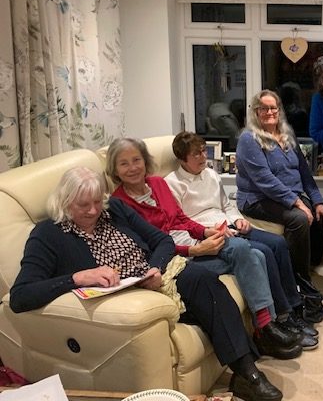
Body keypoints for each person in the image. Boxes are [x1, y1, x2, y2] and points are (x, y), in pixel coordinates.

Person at [9, 166, 283, 401]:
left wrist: (155, 267)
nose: (93, 211)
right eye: (83, 205)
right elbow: (21, 296)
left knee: (205, 281)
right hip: (125, 298)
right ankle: (248, 366)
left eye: (97, 202)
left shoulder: (114, 209)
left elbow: (161, 240)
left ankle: (247, 372)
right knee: (207, 293)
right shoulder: (48, 234)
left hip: (155, 277)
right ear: (65, 201)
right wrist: (77, 278)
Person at [106, 137, 304, 359]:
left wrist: (204, 232)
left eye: (136, 160)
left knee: (257, 254)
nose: (133, 167)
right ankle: (267, 328)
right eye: (124, 163)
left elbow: (181, 218)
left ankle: (265, 329)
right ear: (114, 169)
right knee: (241, 248)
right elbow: (146, 248)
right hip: (175, 260)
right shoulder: (118, 203)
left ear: (145, 161)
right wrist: (195, 250)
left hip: (194, 242)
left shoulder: (158, 184)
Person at [165, 131, 319, 343]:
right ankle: (282, 316)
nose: (203, 157)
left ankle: (293, 308)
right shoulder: (171, 184)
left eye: (203, 151)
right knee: (264, 252)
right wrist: (208, 234)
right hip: (209, 234)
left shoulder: (210, 174)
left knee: (278, 243)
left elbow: (226, 206)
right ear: (182, 159)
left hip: (229, 224)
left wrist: (238, 219)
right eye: (196, 154)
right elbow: (177, 227)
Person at [236, 89, 323, 280]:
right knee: (299, 219)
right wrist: (298, 203)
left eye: (273, 108)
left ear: (279, 110)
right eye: (263, 108)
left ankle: (310, 263)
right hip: (257, 199)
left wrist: (318, 201)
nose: (269, 112)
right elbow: (265, 180)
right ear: (255, 112)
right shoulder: (249, 139)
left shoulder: (288, 135)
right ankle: (298, 279)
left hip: (288, 196)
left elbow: (304, 171)